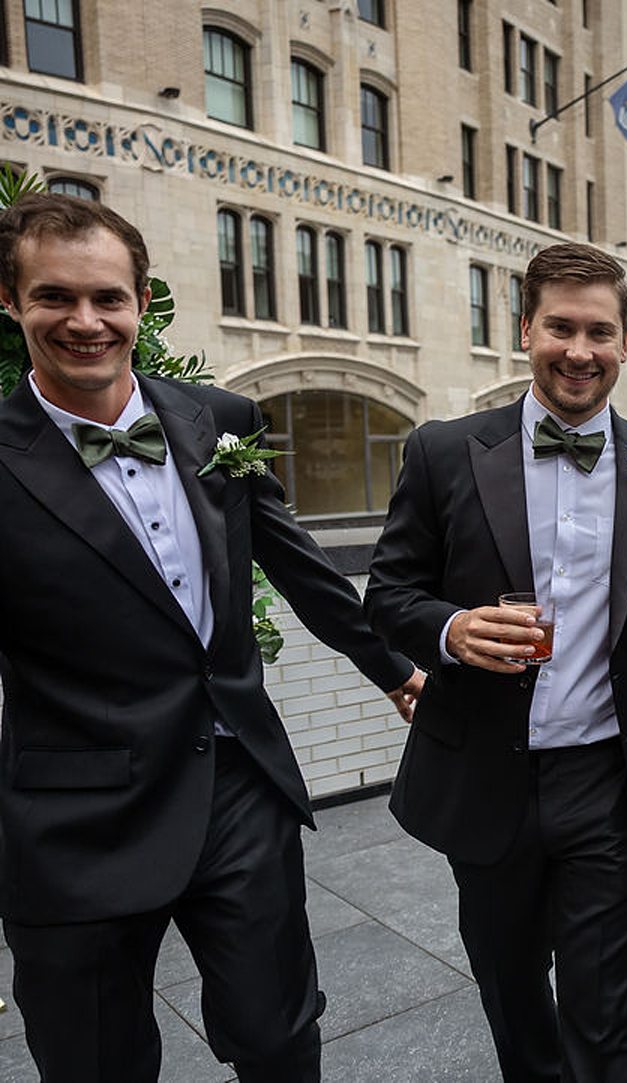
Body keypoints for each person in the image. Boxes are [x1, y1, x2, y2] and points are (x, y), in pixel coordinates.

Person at [0, 192, 423, 1082]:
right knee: (98, 1060)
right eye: (55, 298)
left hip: (237, 780)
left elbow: (299, 562)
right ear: (12, 302)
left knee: (278, 1036)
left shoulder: (215, 420)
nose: (86, 321)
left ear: (140, 300)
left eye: (108, 298)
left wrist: (391, 668)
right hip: (78, 818)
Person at [365, 241, 627, 1082]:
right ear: (525, 328)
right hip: (487, 773)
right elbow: (388, 593)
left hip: (610, 778)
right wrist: (453, 628)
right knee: (513, 992)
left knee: (606, 1007)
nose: (580, 349)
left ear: (625, 342)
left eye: (599, 331)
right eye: (560, 327)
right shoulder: (443, 449)